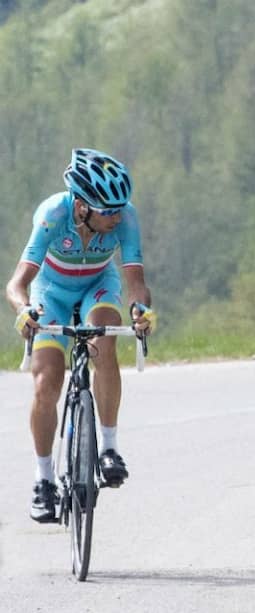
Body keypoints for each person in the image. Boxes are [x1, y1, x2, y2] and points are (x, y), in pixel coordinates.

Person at [5, 148, 157, 523]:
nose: (117, 216)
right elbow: (16, 284)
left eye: (120, 208)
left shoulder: (125, 217)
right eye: (108, 211)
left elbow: (135, 282)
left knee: (104, 344)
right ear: (82, 207)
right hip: (50, 293)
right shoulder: (53, 214)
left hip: (97, 286)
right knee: (47, 379)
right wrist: (24, 311)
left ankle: (108, 448)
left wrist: (140, 310)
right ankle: (43, 480)